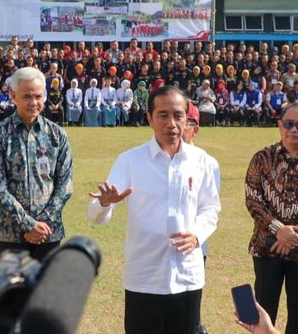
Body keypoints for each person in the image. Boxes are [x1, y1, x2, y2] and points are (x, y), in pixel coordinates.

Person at [88, 86, 221, 334]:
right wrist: (106, 202)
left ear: (187, 118)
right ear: (149, 118)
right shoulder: (130, 160)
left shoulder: (203, 162)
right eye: (163, 115)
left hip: (187, 276)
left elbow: (210, 209)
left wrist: (197, 235)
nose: (171, 123)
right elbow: (94, 214)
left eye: (178, 115)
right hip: (144, 277)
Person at [0, 67, 73, 261]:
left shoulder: (57, 134)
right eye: (27, 96)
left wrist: (42, 223)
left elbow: (65, 184)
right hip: (11, 233)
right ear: (13, 95)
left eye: (38, 96)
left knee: (46, 291)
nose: (33, 102)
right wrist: (28, 224)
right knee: (14, 290)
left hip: (48, 231)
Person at [245, 102, 298, 334]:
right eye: (289, 123)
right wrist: (279, 230)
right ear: (279, 125)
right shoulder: (262, 158)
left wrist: (292, 235)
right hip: (266, 249)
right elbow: (253, 199)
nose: (294, 129)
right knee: (263, 314)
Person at [182, 102, 220, 334]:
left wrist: (195, 236)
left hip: (194, 249)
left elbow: (210, 209)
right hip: (159, 251)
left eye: (186, 120)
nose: (177, 124)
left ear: (196, 129)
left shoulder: (208, 163)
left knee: (189, 314)